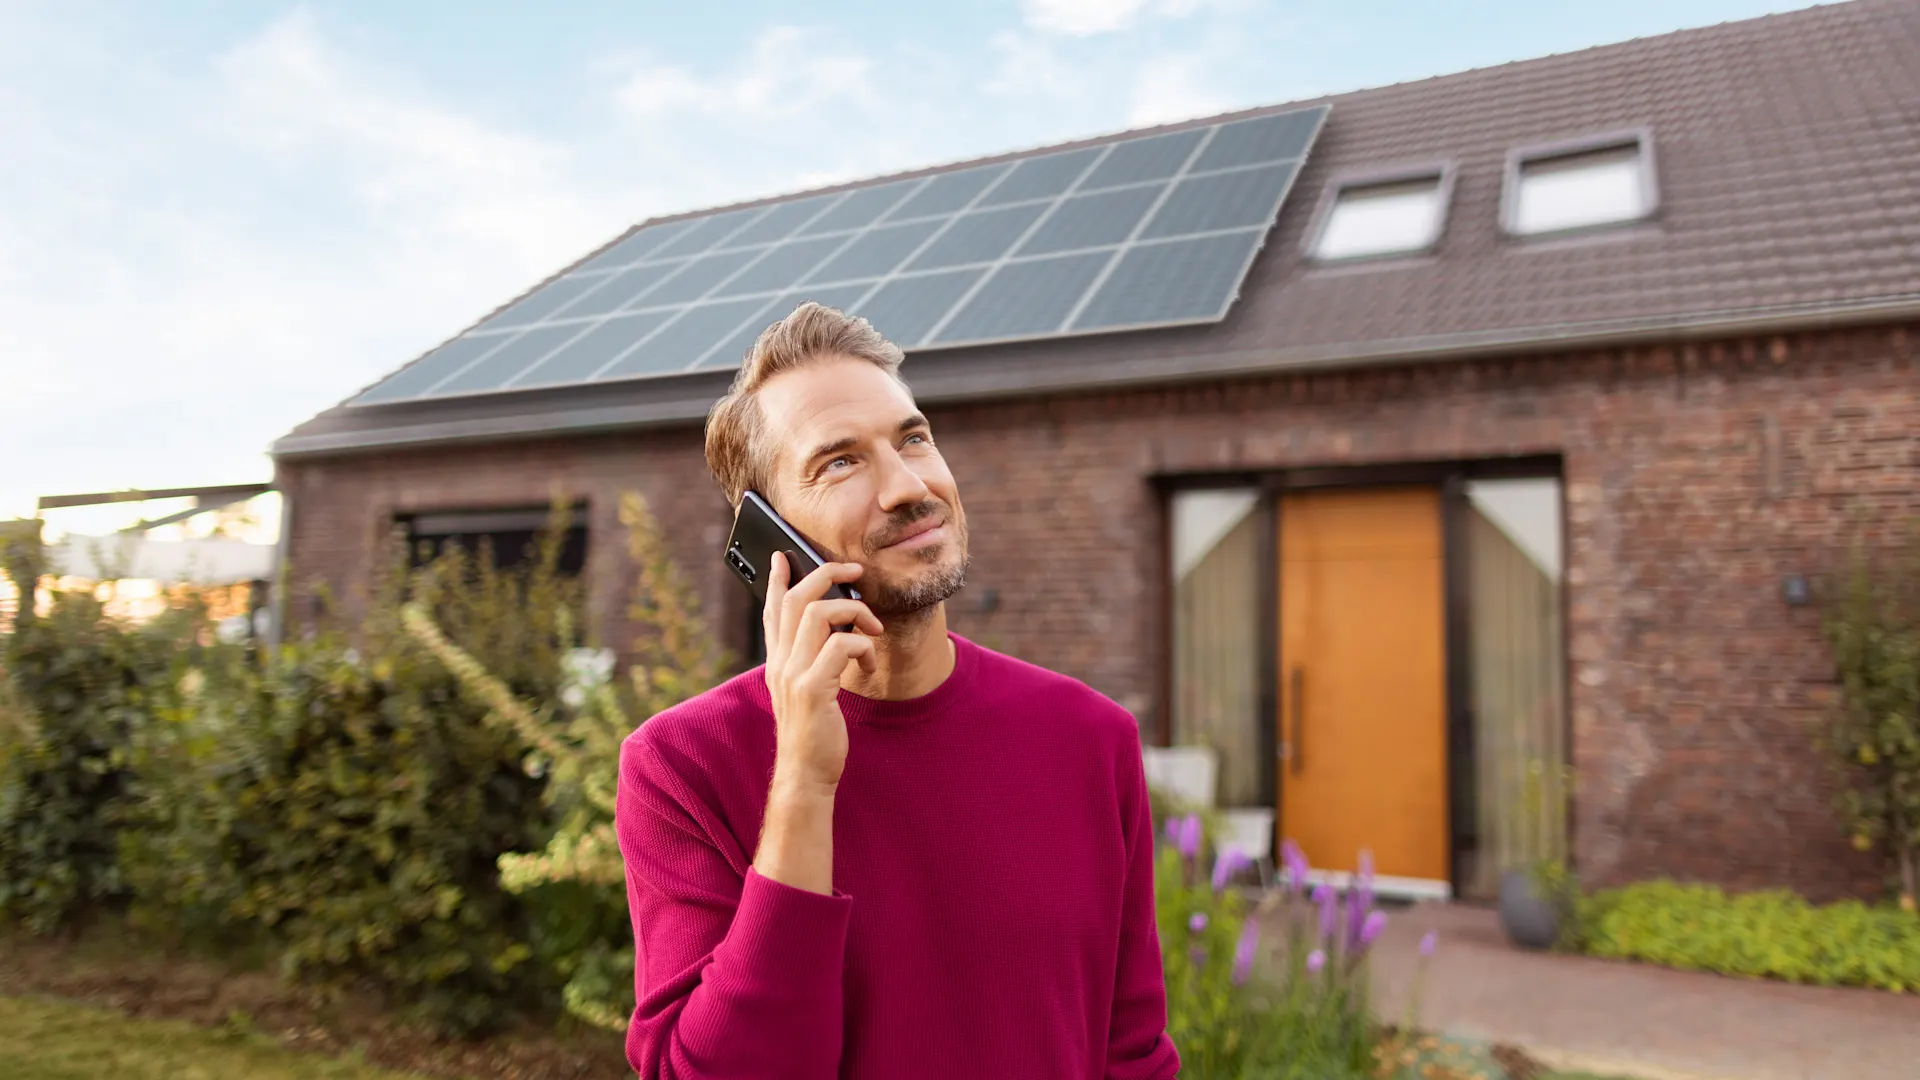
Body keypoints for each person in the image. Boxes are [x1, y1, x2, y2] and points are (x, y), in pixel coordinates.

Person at [614, 302, 1180, 1079]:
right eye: (840, 462)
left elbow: (1132, 1056)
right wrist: (803, 780)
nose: (909, 488)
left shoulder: (1090, 738)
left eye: (913, 439)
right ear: (771, 535)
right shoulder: (682, 766)